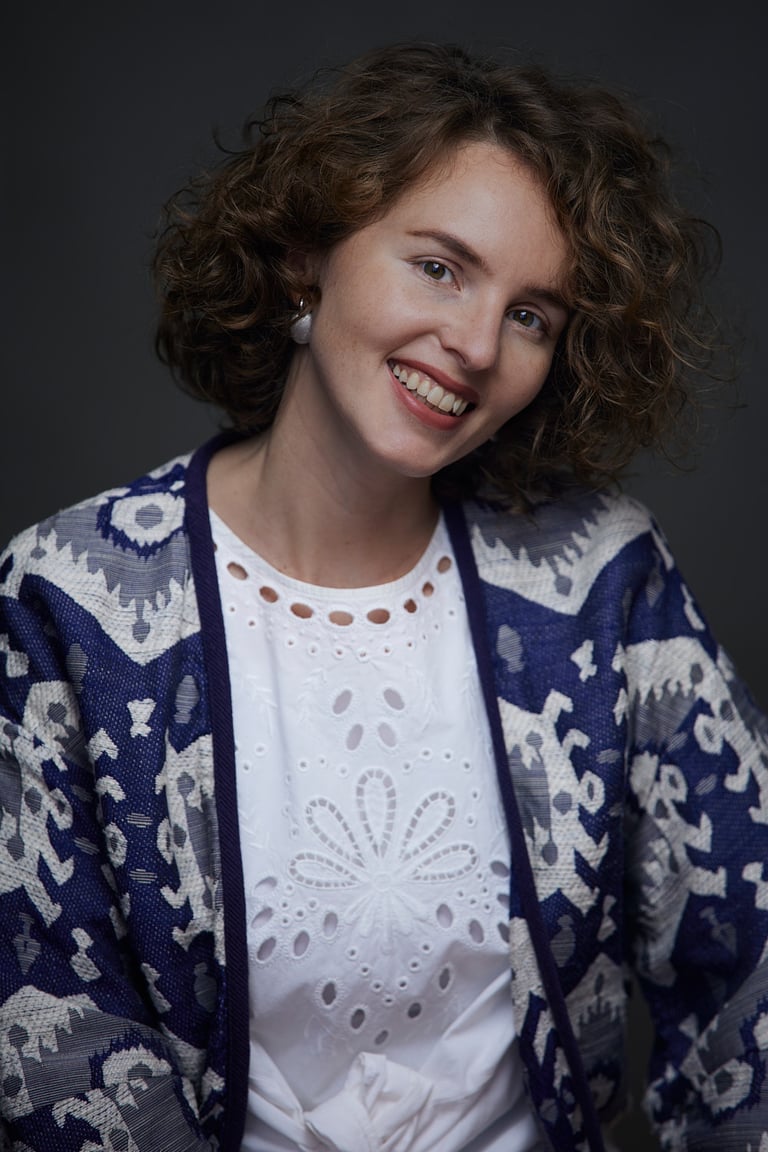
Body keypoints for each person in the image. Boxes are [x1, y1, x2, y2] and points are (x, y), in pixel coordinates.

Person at [1, 39, 766, 1152]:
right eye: (441, 268)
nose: (474, 345)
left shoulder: (600, 581)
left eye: (532, 316)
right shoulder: (72, 603)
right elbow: (53, 1046)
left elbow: (751, 962)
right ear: (308, 256)